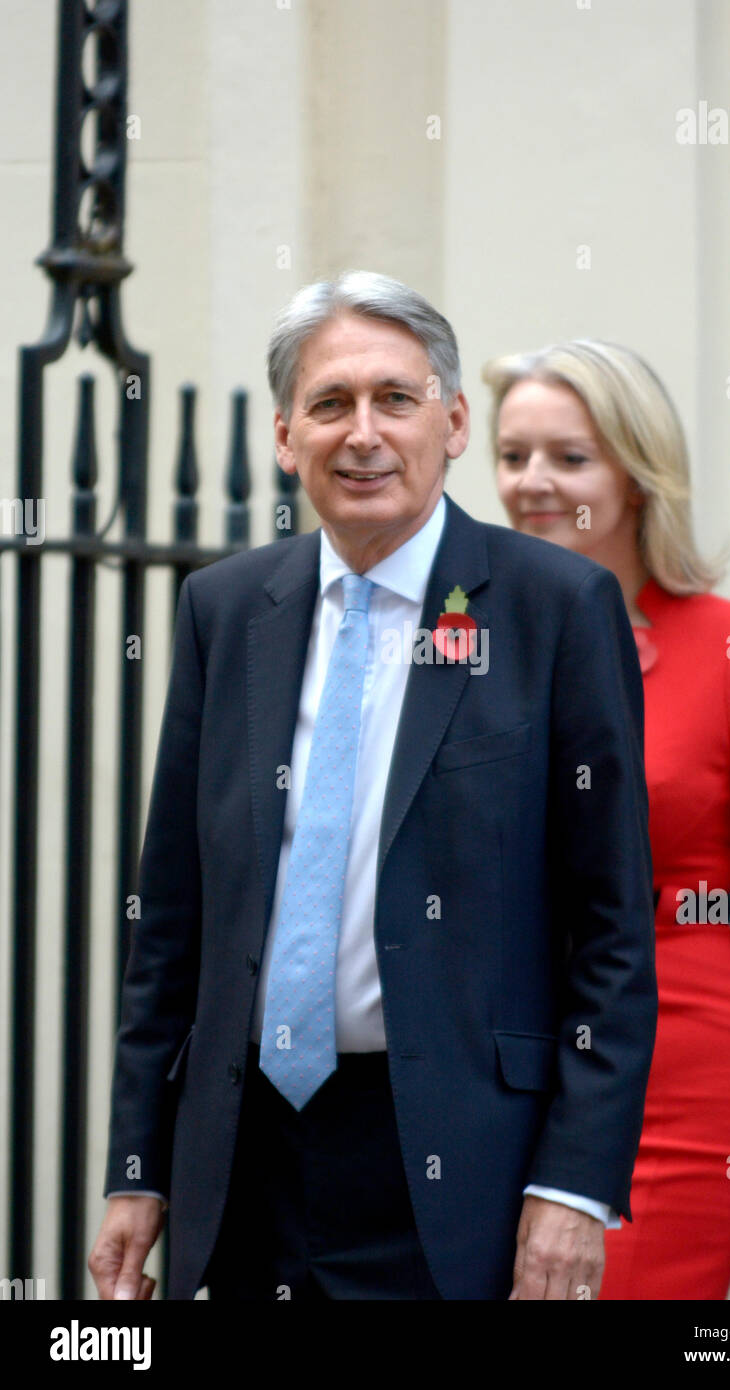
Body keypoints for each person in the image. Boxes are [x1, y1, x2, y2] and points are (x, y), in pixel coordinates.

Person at [87, 273, 657, 1302]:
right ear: (282, 435)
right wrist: (137, 1164)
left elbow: (612, 927)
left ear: (448, 423)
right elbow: (171, 921)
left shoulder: (554, 611)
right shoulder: (224, 611)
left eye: (394, 399)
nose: (362, 434)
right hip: (245, 1157)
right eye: (329, 403)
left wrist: (573, 1182)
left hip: (453, 1165)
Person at [483, 338, 730, 1299]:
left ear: (637, 476)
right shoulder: (465, 646)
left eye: (569, 457)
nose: (532, 481)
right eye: (512, 454)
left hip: (682, 1064)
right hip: (498, 1058)